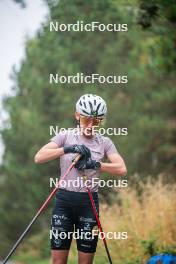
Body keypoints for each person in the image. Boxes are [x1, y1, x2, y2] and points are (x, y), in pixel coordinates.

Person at [34, 94, 127, 264]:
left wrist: (95, 164)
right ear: (77, 115)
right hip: (64, 203)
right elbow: (39, 157)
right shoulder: (65, 136)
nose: (91, 125)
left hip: (88, 204)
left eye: (97, 121)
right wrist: (67, 149)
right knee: (58, 262)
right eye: (86, 120)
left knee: (85, 263)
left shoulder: (105, 142)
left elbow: (121, 169)